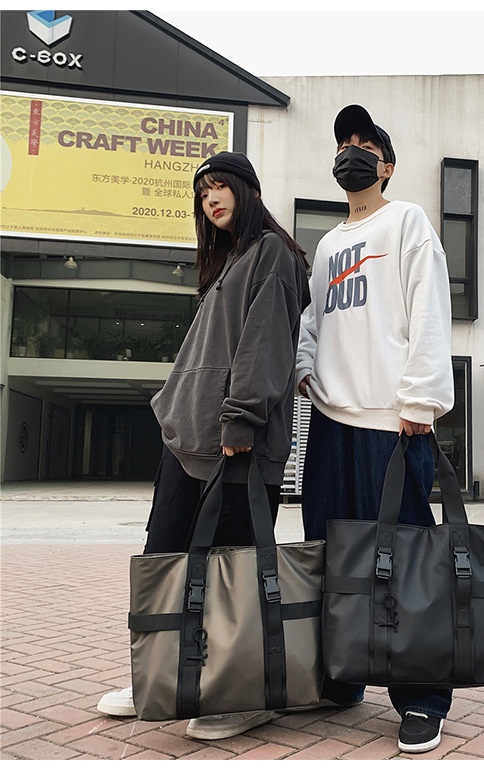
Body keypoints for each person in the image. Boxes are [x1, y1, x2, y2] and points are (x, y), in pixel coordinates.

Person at [96, 151, 311, 741]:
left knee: (233, 572)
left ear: (246, 190)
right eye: (203, 191)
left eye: (220, 187)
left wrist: (240, 422)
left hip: (235, 443)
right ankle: (158, 679)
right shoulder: (225, 265)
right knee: (165, 559)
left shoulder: (274, 254)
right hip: (187, 437)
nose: (210, 198)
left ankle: (244, 696)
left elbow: (266, 345)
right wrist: (171, 407)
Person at [295, 105, 454, 754]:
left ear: (386, 166)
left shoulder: (407, 219)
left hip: (393, 423)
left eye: (365, 145)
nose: (352, 152)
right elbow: (314, 318)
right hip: (331, 422)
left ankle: (421, 698)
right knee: (334, 559)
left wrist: (420, 399)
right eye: (344, 144)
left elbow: (429, 305)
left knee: (407, 560)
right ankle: (346, 678)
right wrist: (306, 370)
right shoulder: (330, 244)